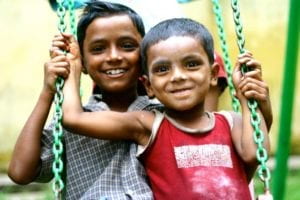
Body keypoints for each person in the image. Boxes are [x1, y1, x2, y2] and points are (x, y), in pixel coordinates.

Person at [60, 18, 271, 199]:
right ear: (149, 85)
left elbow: (255, 153)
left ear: (214, 74)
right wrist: (72, 68)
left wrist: (249, 98)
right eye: (162, 69)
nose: (178, 76)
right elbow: (73, 118)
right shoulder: (149, 125)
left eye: (191, 64)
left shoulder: (231, 122)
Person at [8, 1, 159, 199]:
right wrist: (48, 92)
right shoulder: (71, 120)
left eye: (127, 46)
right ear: (83, 64)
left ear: (144, 56)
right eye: (98, 49)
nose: (113, 56)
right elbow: (20, 173)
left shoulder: (161, 115)